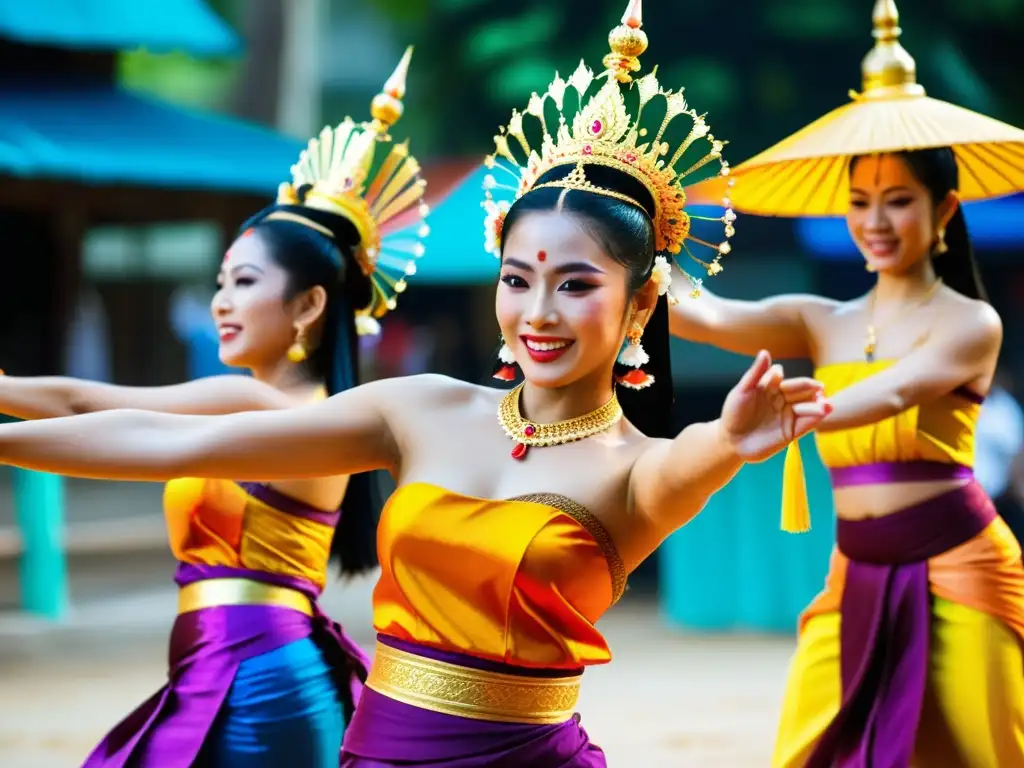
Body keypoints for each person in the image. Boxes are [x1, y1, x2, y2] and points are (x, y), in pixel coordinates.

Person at [0, 5, 831, 766]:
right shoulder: (420, 408)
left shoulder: (637, 469)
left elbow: (697, 458)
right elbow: (176, 441)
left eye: (575, 285)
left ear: (641, 300)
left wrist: (729, 441)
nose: (537, 312)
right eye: (516, 279)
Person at [0, 49, 430, 768]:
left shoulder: (260, 406)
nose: (221, 301)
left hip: (259, 679)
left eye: (245, 281)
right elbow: (79, 399)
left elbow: (93, 404)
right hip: (219, 667)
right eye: (220, 281)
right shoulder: (287, 411)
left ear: (309, 305)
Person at [676, 3, 1024, 766]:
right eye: (861, 202)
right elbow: (704, 317)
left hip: (959, 565)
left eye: (898, 199)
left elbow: (896, 392)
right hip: (853, 568)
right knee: (807, 749)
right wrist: (632, 242)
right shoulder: (818, 318)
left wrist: (802, 409)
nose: (876, 220)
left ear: (944, 212)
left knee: (982, 752)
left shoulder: (971, 324)